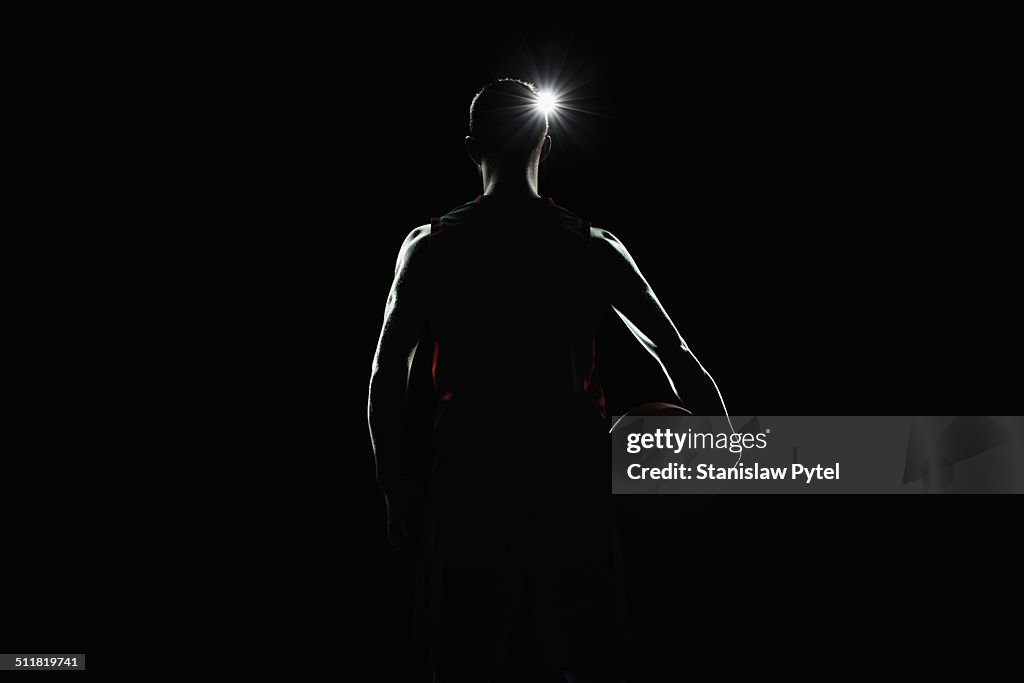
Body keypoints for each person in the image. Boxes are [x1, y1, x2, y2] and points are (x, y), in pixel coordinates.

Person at [368, 78, 729, 682]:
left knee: (463, 661)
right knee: (585, 660)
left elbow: (386, 377)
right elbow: (678, 354)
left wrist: (392, 487)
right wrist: (723, 456)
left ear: (470, 148)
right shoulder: (593, 248)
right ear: (546, 140)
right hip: (571, 481)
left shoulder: (429, 248)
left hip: (471, 481)